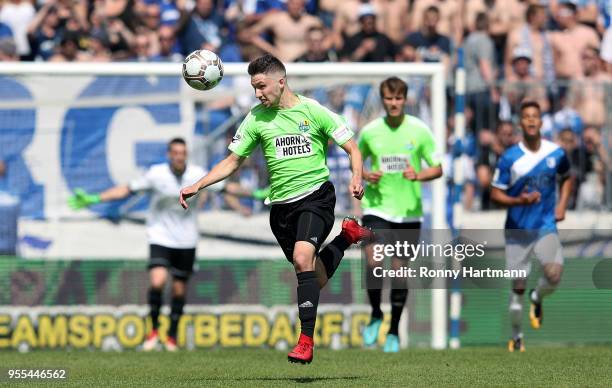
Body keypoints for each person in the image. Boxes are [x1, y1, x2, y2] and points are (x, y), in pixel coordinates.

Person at [179, 54, 374, 364]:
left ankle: (306, 342)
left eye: (261, 86)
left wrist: (356, 175)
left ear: (281, 81)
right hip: (280, 209)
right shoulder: (256, 119)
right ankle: (346, 237)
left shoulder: (313, 111)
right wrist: (198, 184)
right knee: (314, 275)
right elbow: (232, 161)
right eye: (254, 87)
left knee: (301, 259)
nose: (258, 93)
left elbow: (351, 146)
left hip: (316, 197)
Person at [67, 138, 227, 352]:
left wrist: (254, 193)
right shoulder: (156, 174)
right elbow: (127, 189)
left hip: (187, 240)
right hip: (160, 237)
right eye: (176, 153)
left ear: (186, 155)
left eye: (183, 153)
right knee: (158, 281)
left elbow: (226, 186)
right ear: (169, 155)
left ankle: (171, 336)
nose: (179, 156)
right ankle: (153, 332)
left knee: (179, 290)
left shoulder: (197, 174)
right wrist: (95, 198)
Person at [358, 77, 443, 352]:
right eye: (389, 98)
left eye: (398, 98)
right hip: (376, 207)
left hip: (408, 213)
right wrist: (363, 173)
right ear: (382, 100)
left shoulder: (419, 131)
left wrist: (419, 175)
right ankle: (374, 313)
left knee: (399, 272)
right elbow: (355, 161)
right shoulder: (370, 132)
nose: (393, 103)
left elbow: (438, 167)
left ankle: (393, 330)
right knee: (373, 262)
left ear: (405, 99)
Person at [491, 101, 573, 352]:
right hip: (517, 230)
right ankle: (517, 337)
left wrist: (561, 206)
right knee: (517, 288)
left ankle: (537, 297)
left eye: (535, 116)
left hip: (545, 226)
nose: (531, 120)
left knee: (554, 275)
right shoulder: (510, 158)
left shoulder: (556, 153)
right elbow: (495, 193)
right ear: (520, 122)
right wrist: (518, 200)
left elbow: (567, 176)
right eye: (526, 116)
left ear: (541, 122)